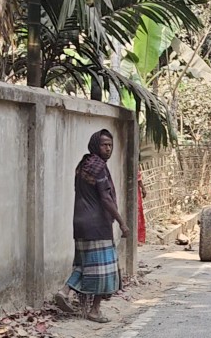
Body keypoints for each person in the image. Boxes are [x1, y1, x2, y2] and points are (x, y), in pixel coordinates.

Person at [55, 129, 127, 322]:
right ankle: (95, 310)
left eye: (110, 145)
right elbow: (105, 198)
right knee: (104, 269)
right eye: (104, 145)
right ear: (96, 145)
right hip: (97, 225)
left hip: (80, 223)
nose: (108, 148)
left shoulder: (84, 165)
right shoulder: (99, 168)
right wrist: (121, 222)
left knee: (85, 264)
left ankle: (64, 291)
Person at [137, 169, 147, 245]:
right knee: (137, 213)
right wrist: (143, 188)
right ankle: (137, 238)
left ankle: (138, 238)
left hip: (136, 190)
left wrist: (143, 188)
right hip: (135, 191)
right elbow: (138, 177)